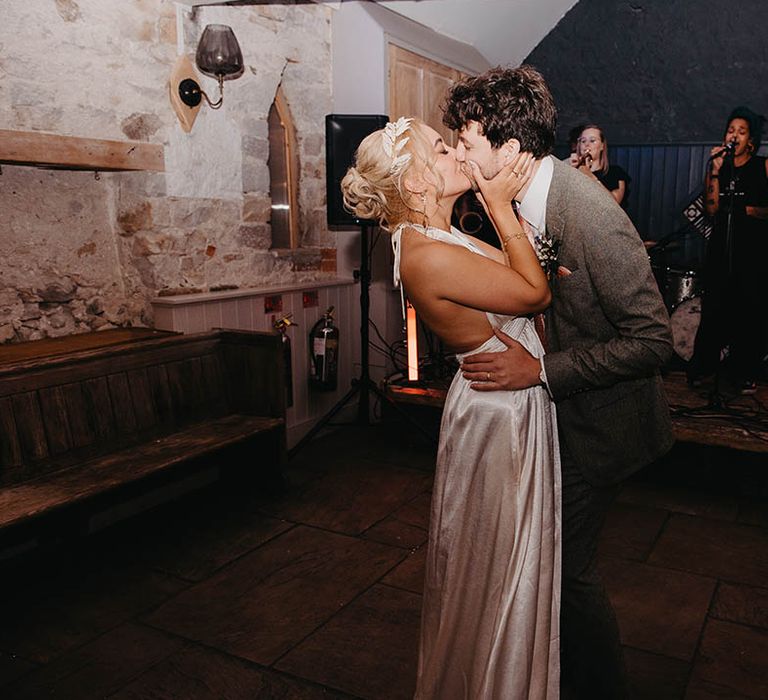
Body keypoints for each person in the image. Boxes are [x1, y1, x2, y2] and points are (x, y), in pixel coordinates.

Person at [443, 65, 674, 699]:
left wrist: (541, 369)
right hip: (563, 419)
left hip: (607, 424)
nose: (460, 153)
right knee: (548, 559)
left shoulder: (591, 216)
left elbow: (653, 342)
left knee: (569, 569)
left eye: (466, 141)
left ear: (510, 150)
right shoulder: (515, 198)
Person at [341, 117, 561, 698]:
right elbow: (535, 293)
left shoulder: (443, 235)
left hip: (507, 399)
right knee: (496, 565)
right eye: (440, 149)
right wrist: (496, 199)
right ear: (414, 186)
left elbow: (526, 282)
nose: (455, 151)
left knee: (503, 559)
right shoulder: (422, 254)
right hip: (498, 416)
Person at [688, 106, 768, 394]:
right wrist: (714, 172)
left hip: (753, 252)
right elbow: (711, 210)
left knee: (749, 312)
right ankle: (704, 368)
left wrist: (747, 210)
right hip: (722, 249)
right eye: (731, 130)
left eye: (741, 131)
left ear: (752, 141)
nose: (734, 135)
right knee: (715, 310)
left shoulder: (763, 166)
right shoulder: (718, 168)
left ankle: (744, 372)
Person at [573, 124, 629, 206]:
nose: (587, 144)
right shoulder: (573, 171)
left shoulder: (615, 172)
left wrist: (590, 176)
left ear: (602, 146)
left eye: (592, 140)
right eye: (583, 141)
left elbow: (615, 205)